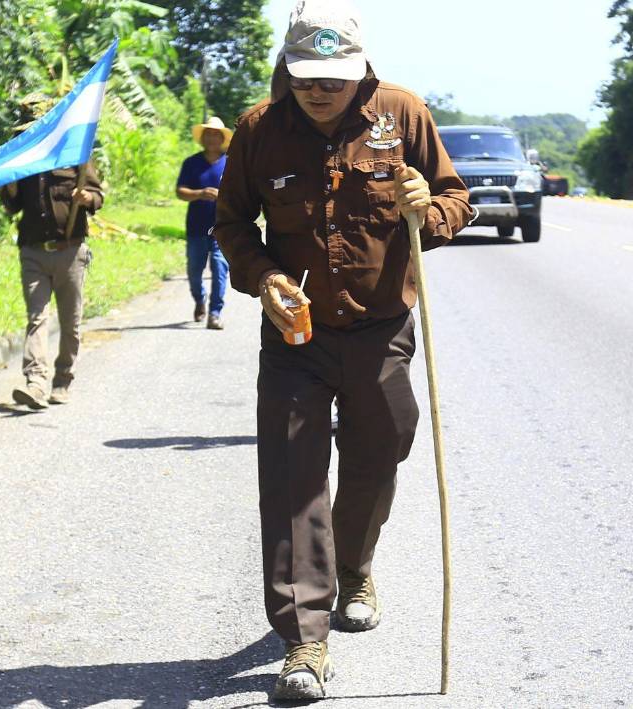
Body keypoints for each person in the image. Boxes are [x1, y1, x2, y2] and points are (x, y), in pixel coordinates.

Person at [213, 0, 472, 700]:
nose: (319, 88)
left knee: (382, 446)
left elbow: (456, 197)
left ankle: (355, 565)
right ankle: (304, 642)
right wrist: (264, 277)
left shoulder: (403, 114)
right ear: (287, 69)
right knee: (295, 479)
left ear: (359, 69)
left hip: (382, 329)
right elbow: (232, 223)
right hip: (296, 336)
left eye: (333, 75)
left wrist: (432, 209)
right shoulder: (259, 132)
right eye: (306, 75)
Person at [0, 161, 104, 410]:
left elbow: (98, 197)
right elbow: (13, 207)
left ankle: (62, 381)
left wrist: (87, 197)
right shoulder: (28, 157)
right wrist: (6, 182)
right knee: (37, 317)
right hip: (33, 252)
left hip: (70, 252)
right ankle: (35, 383)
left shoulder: (75, 154)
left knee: (71, 322)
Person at [176, 117, 232, 329]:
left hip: (223, 228)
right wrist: (200, 193)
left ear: (222, 138)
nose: (211, 138)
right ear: (202, 138)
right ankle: (200, 299)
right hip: (196, 228)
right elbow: (180, 192)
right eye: (208, 134)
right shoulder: (191, 163)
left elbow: (240, 193)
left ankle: (215, 313)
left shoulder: (231, 163)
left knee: (220, 269)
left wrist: (223, 196)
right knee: (194, 271)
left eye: (216, 134)